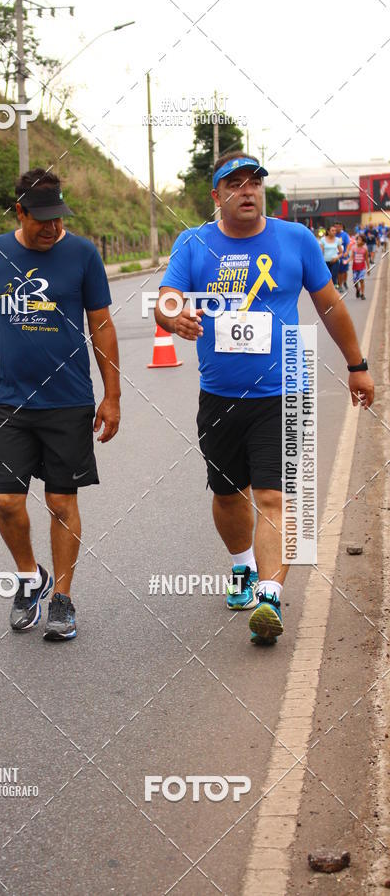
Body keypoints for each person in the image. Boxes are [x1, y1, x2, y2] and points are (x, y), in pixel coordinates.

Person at [156, 151, 375, 645]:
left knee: (275, 496)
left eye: (254, 182)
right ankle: (242, 567)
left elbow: (330, 305)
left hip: (286, 382)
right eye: (235, 184)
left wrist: (357, 365)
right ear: (217, 196)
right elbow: (168, 298)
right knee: (226, 493)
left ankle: (270, 596)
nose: (247, 190)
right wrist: (172, 317)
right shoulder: (194, 244)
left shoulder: (295, 239)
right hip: (220, 392)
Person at [0, 168, 121, 641]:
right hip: (12, 402)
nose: (52, 228)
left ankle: (64, 598)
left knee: (60, 500)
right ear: (20, 211)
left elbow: (102, 326)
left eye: (58, 219)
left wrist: (111, 396)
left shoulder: (82, 254)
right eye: (42, 220)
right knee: (7, 501)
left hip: (69, 402)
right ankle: (31, 577)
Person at [351, 233, 370, 299]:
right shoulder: (354, 248)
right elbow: (352, 257)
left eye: (360, 240)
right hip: (355, 268)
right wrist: (347, 261)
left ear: (363, 242)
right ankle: (358, 289)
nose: (358, 241)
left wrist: (368, 268)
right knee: (355, 281)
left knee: (361, 280)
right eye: (357, 239)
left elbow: (367, 259)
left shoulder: (365, 249)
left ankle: (362, 294)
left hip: (362, 267)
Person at [335, 222, 351, 294]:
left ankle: (344, 282)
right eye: (335, 227)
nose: (336, 228)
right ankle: (340, 285)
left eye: (338, 227)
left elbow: (348, 244)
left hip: (344, 256)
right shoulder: (333, 234)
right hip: (336, 255)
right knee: (339, 271)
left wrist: (347, 252)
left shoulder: (344, 235)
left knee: (344, 271)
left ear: (341, 227)